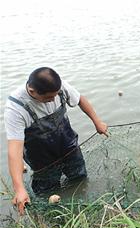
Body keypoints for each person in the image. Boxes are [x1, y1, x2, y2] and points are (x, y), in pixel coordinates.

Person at [4, 67, 108, 215]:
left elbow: (80, 100)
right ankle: (55, 220)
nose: (53, 99)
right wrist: (19, 188)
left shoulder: (57, 87)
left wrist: (97, 122)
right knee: (46, 193)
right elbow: (14, 149)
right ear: (32, 91)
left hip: (69, 147)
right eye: (48, 98)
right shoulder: (16, 108)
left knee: (79, 179)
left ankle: (80, 213)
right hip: (42, 160)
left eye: (55, 95)